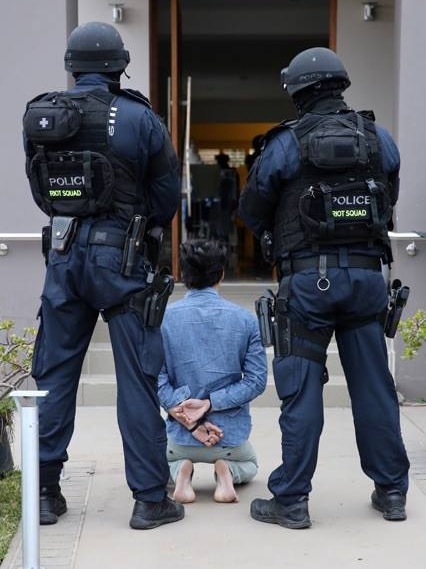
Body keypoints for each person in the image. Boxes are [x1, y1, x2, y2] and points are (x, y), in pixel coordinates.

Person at [238, 47, 410, 529]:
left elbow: (252, 205)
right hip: (367, 280)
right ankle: (392, 492)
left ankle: (291, 500)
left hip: (308, 283)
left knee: (302, 389)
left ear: (297, 90)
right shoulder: (379, 137)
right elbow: (389, 192)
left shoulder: (286, 143)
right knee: (375, 389)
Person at [22, 22, 184, 530]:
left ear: (72, 67)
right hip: (124, 257)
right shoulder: (140, 118)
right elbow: (164, 198)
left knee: (54, 374)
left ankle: (45, 494)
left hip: (64, 254)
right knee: (136, 379)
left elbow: (40, 191)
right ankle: (149, 499)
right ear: (119, 65)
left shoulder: (43, 115)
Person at [158, 239, 267, 503]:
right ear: (221, 275)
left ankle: (180, 472)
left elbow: (155, 378)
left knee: (158, 461)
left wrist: (188, 416)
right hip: (229, 439)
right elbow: (257, 381)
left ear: (183, 276)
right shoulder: (245, 320)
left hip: (180, 437)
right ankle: (227, 471)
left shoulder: (164, 319)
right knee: (251, 464)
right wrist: (210, 404)